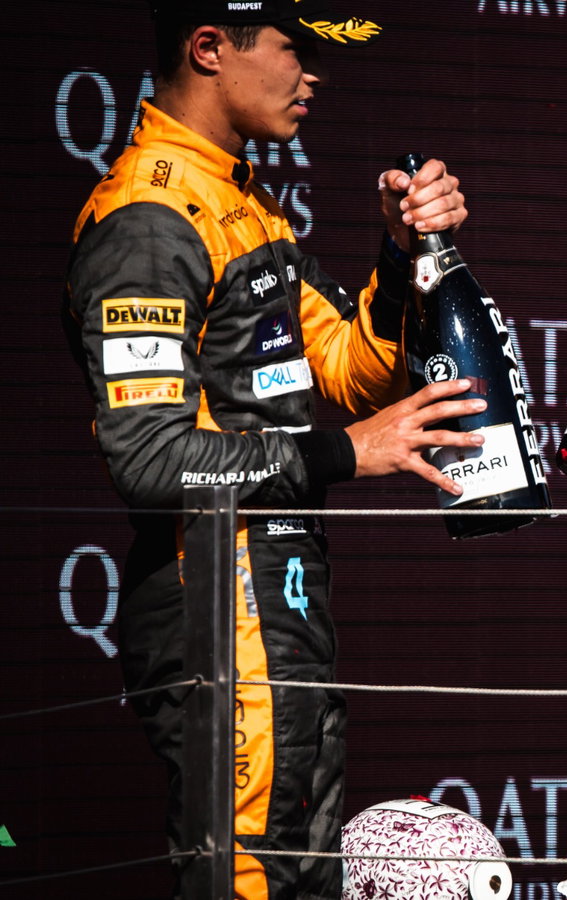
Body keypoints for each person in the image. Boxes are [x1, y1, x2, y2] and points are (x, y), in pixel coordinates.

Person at [62, 3, 479, 897]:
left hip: (277, 601)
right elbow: (146, 459)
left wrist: (402, 253)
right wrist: (340, 456)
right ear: (210, 48)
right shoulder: (149, 219)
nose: (312, 75)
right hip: (217, 606)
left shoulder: (244, 206)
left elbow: (349, 370)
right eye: (295, 49)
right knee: (252, 876)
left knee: (297, 872)